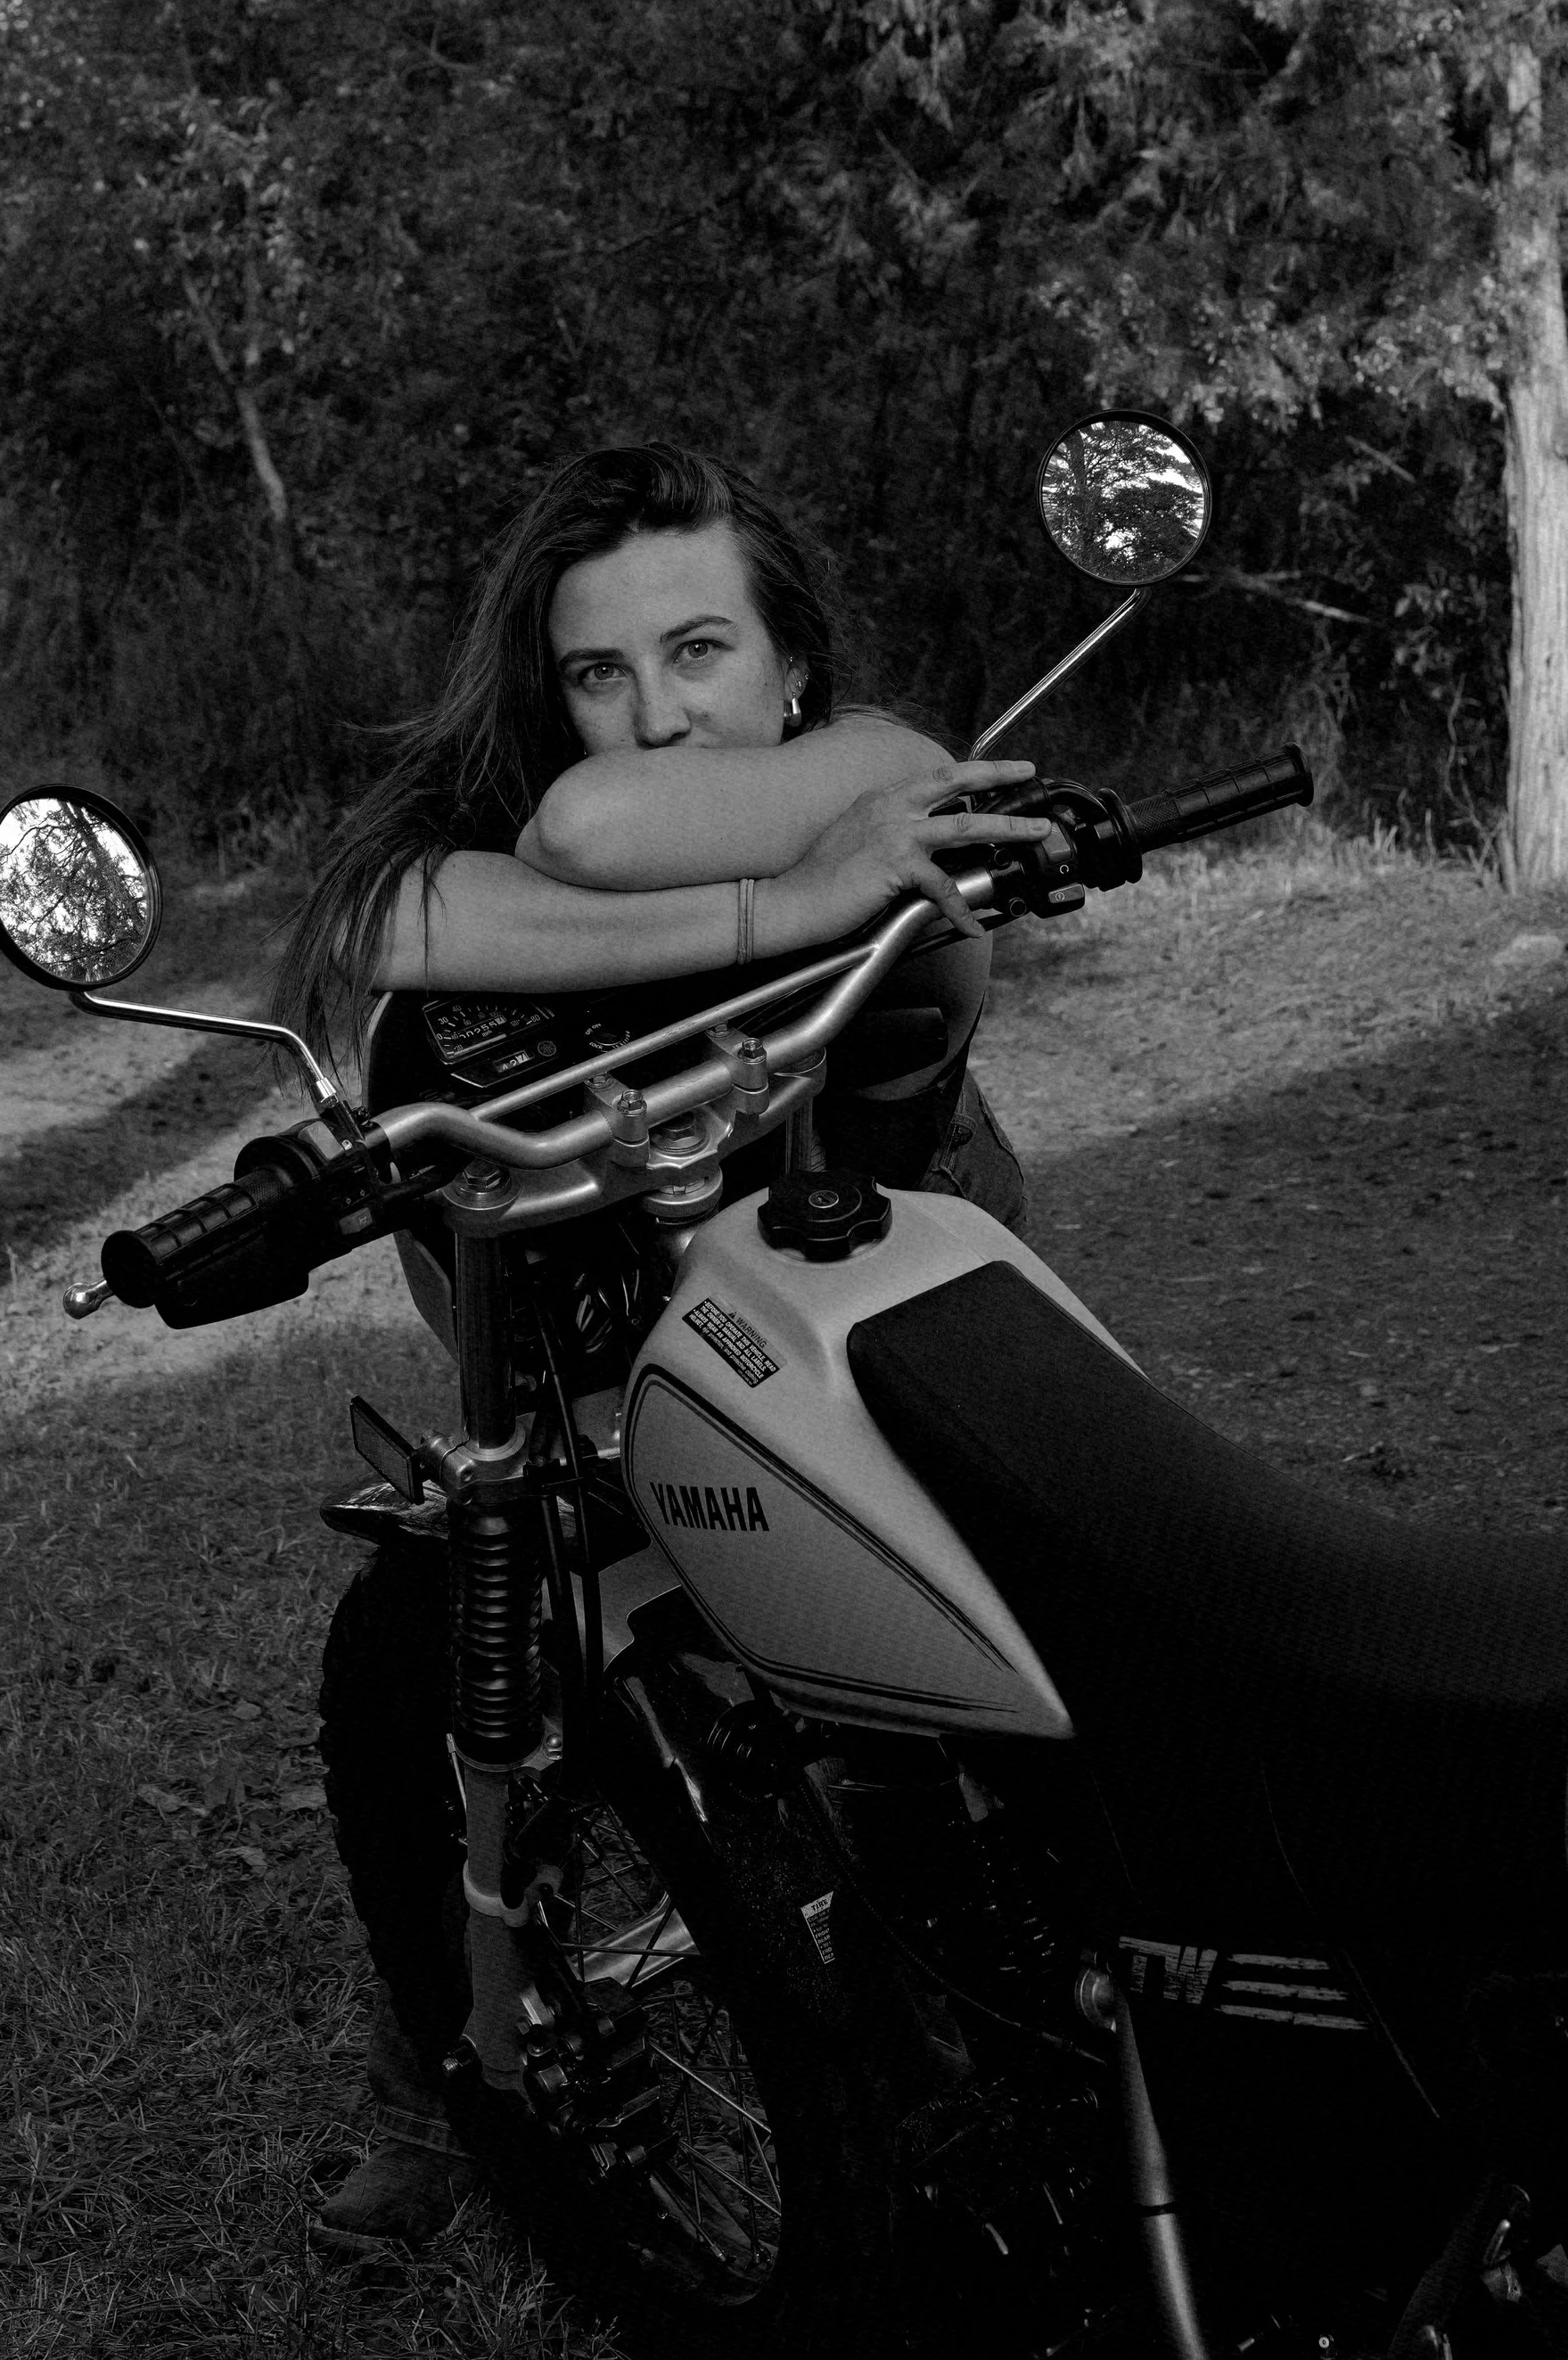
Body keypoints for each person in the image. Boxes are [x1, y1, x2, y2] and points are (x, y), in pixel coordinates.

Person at [278, 442, 1047, 2257]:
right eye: (596, 675)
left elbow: (613, 834)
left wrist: (778, 908)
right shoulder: (532, 839)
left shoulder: (878, 773)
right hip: (581, 1369)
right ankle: (447, 2069)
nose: (652, 718)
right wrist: (779, 907)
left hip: (877, 1355)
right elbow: (411, 907)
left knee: (959, 1727)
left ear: (795, 664)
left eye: (699, 653)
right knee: (522, 1686)